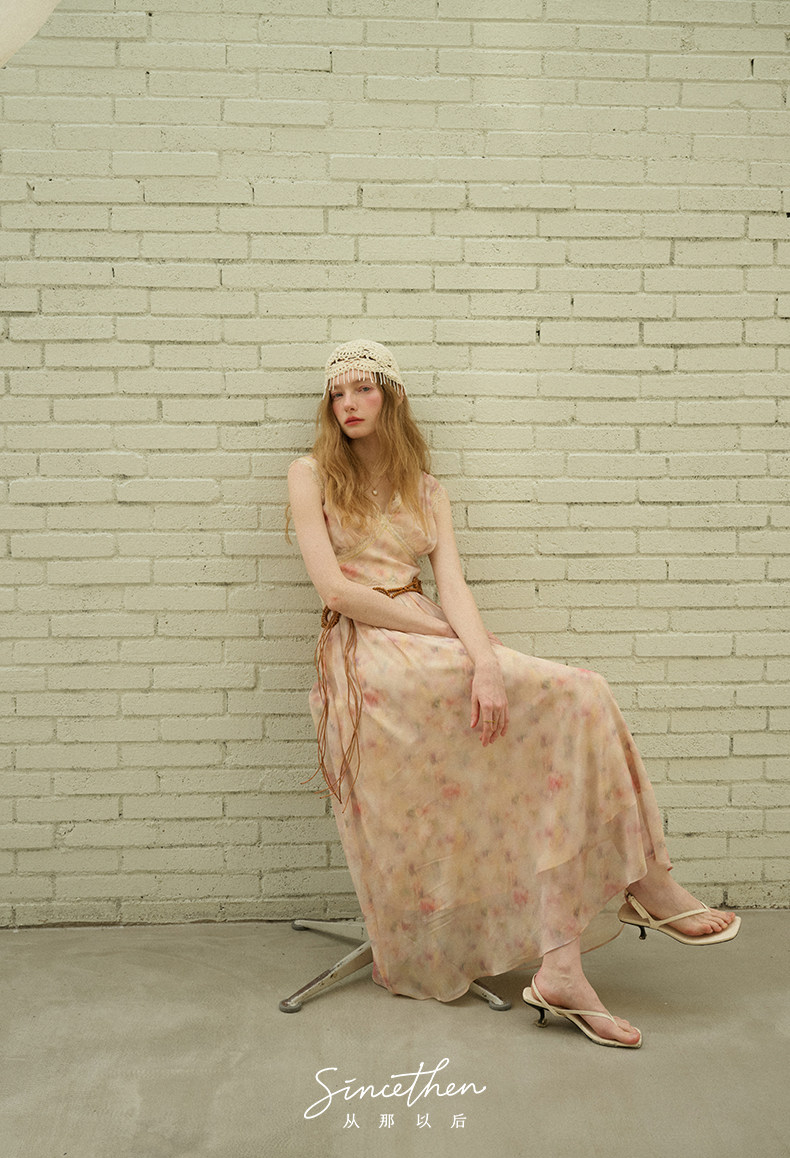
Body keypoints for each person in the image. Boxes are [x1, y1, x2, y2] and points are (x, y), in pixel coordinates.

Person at [286, 339, 740, 1049]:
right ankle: (644, 888)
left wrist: (486, 663)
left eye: (363, 388)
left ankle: (577, 949)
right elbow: (336, 591)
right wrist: (445, 633)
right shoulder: (309, 472)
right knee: (568, 701)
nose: (348, 403)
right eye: (337, 392)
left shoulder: (427, 488)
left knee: (580, 696)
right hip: (369, 656)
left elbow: (454, 586)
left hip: (433, 640)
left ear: (391, 397)